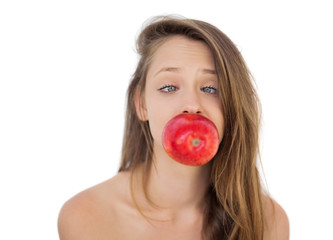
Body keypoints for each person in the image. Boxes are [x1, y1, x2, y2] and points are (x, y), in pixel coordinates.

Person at [58, 16, 289, 240]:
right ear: (141, 105)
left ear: (232, 108)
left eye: (210, 89)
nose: (191, 104)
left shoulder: (269, 222)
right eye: (169, 87)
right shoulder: (85, 216)